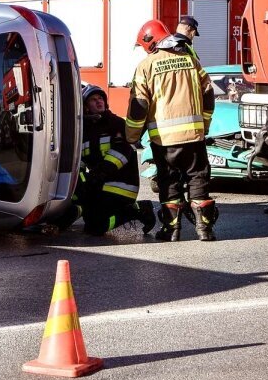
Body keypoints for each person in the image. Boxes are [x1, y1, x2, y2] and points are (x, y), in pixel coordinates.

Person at [126, 17, 218, 242]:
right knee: (198, 180)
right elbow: (208, 94)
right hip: (194, 137)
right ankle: (204, 230)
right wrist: (204, 125)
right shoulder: (189, 59)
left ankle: (171, 230)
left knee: (169, 183)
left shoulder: (146, 66)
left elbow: (139, 106)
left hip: (164, 140)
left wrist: (132, 136)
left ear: (149, 42)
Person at [59, 84, 156, 235]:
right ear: (85, 106)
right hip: (100, 184)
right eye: (93, 100)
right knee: (90, 222)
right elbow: (81, 160)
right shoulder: (84, 129)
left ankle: (136, 210)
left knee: (97, 227)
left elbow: (121, 153)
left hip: (121, 185)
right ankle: (68, 215)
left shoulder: (116, 123)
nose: (99, 102)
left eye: (100, 98)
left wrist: (98, 174)